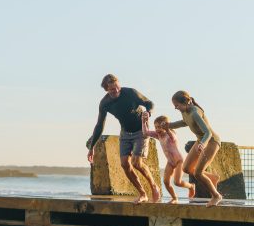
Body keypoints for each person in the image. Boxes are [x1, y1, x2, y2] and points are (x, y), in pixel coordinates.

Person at [87, 74, 161, 203]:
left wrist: (148, 112)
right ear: (106, 90)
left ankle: (154, 186)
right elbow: (99, 125)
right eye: (112, 89)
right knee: (125, 164)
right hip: (125, 133)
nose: (116, 91)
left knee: (137, 163)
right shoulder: (105, 103)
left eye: (117, 87)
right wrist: (92, 147)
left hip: (140, 130)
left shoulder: (130, 93)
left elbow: (149, 103)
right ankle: (142, 193)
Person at [167, 90, 223, 207]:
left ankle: (216, 196)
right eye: (174, 106)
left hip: (211, 141)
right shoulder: (185, 112)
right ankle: (213, 178)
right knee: (187, 168)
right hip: (201, 141)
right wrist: (169, 125)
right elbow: (184, 122)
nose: (176, 108)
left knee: (198, 173)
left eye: (177, 105)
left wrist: (202, 143)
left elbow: (208, 133)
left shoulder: (195, 113)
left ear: (186, 102)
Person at [142, 114, 195, 203]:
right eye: (156, 127)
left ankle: (191, 186)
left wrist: (167, 129)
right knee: (166, 181)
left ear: (166, 126)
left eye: (159, 127)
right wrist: (144, 122)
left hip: (179, 161)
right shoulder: (158, 135)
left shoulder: (170, 134)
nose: (157, 129)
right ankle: (174, 198)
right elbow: (145, 133)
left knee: (177, 182)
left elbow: (173, 138)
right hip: (170, 162)